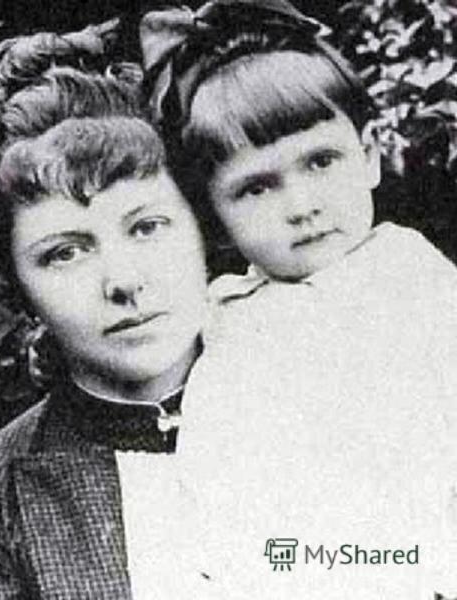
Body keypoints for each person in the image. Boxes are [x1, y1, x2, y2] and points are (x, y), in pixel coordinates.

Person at [138, 0, 457, 596]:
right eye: (256, 188)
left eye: (321, 161)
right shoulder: (225, 320)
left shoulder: (413, 283)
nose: (301, 205)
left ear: (369, 157)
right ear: (214, 213)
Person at [0, 24, 210, 599]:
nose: (123, 282)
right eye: (65, 253)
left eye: (147, 227)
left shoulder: (321, 400)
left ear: (199, 226)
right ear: (20, 289)